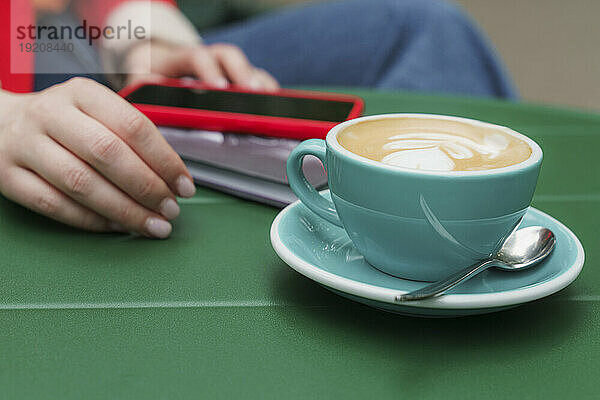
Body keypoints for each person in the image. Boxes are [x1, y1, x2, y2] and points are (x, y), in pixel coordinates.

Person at [0, 0, 516, 239]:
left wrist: (143, 43)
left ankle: (436, 237)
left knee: (432, 30)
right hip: (15, 103)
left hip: (54, 46)